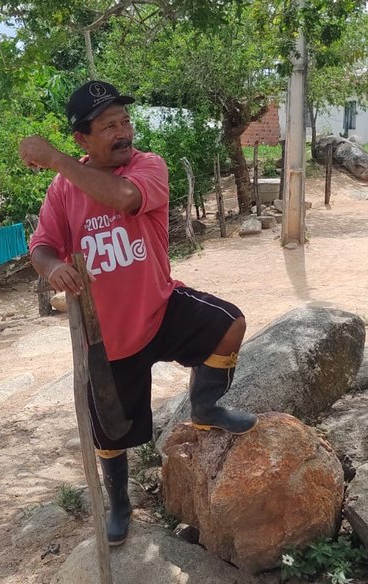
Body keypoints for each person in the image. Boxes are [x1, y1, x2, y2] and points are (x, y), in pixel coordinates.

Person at [20, 80, 258, 546]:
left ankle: (206, 405)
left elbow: (126, 199)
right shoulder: (63, 191)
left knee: (229, 324)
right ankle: (120, 505)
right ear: (82, 140)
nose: (123, 131)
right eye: (108, 126)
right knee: (110, 431)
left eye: (125, 121)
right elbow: (42, 245)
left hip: (160, 307)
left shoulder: (148, 165)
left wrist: (55, 160)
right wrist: (53, 269)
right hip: (105, 335)